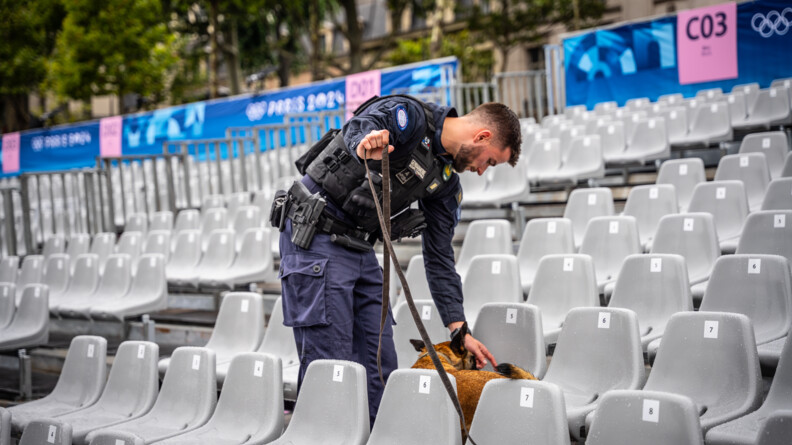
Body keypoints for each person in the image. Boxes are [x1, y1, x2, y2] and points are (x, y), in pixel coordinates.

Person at [275, 94, 522, 426]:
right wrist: (367, 143)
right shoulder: (412, 116)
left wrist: (460, 330)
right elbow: (364, 125)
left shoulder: (446, 184)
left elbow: (439, 258)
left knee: (380, 367)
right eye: (490, 162)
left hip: (361, 248)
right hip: (318, 235)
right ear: (482, 137)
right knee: (330, 368)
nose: (481, 171)